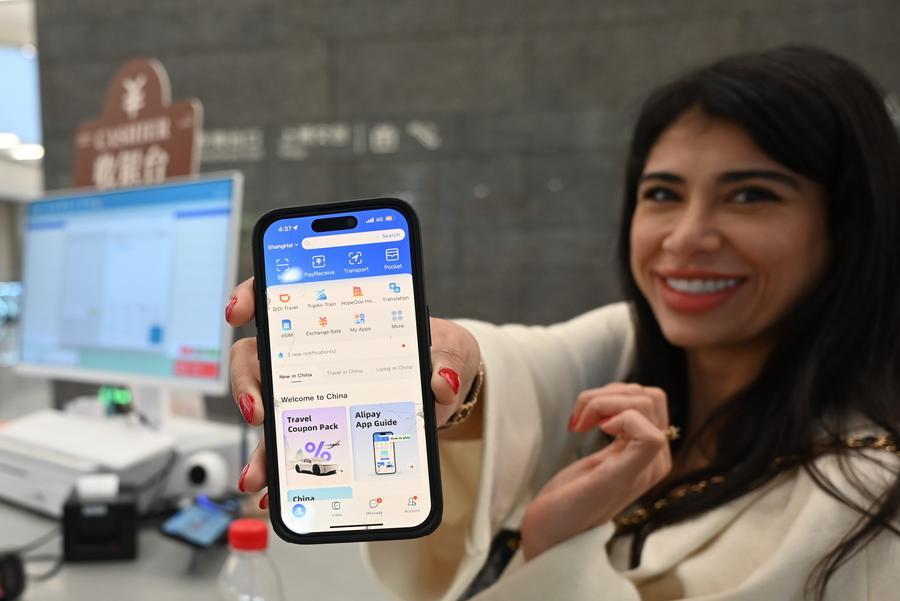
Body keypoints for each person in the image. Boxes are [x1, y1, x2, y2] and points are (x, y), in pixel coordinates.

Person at [225, 45, 900, 600]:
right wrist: (438, 368)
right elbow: (519, 368)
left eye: (750, 195)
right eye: (662, 193)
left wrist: (555, 547)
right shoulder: (632, 342)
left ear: (849, 225)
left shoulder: (869, 508)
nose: (687, 236)